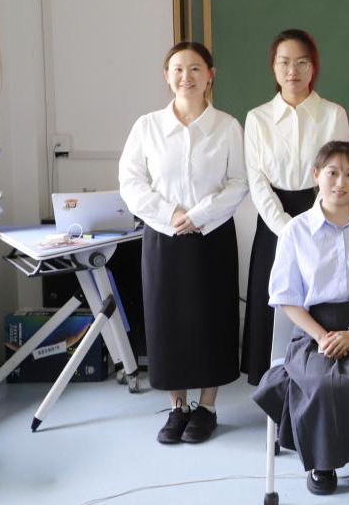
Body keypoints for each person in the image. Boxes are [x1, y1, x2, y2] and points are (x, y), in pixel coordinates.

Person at [252, 142, 349, 496]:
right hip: (312, 328)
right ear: (316, 176)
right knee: (319, 382)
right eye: (332, 173)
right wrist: (322, 336)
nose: (341, 182)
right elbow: (286, 298)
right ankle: (322, 461)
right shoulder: (295, 231)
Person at [118, 42, 247, 444]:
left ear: (210, 75)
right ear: (166, 76)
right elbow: (131, 181)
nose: (186, 77)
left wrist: (200, 214)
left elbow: (238, 181)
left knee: (212, 318)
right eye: (177, 69)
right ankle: (178, 407)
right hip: (163, 236)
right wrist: (171, 213)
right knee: (167, 321)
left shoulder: (227, 126)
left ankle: (207, 407)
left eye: (195, 69)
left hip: (212, 236)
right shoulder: (147, 127)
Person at [242, 29, 349, 385]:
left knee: (318, 300)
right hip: (273, 220)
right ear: (273, 67)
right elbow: (257, 180)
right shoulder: (257, 118)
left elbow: (337, 173)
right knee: (274, 301)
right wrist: (285, 226)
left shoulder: (333, 114)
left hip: (322, 214)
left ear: (313, 67)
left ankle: (317, 382)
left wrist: (311, 221)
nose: (293, 71)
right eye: (284, 62)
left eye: (302, 62)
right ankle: (272, 388)